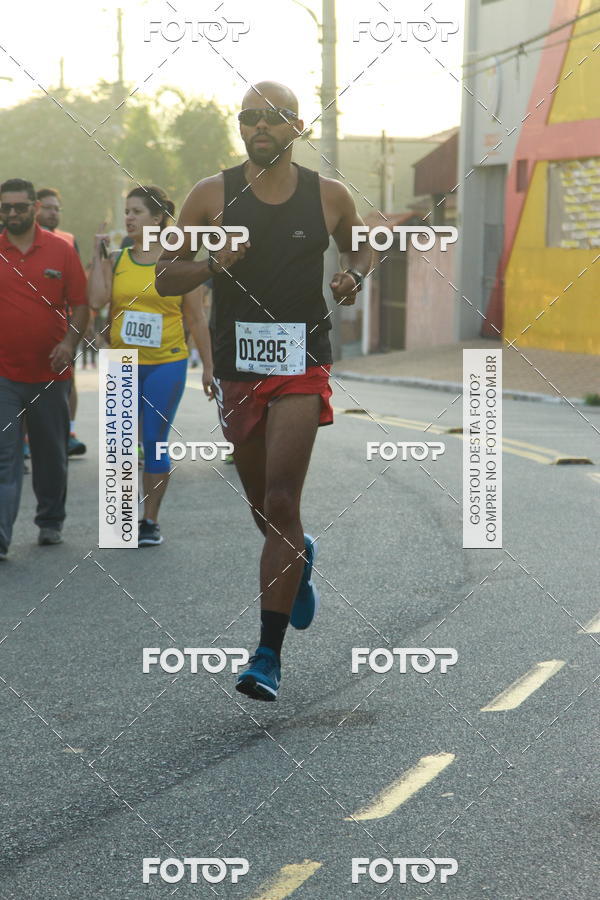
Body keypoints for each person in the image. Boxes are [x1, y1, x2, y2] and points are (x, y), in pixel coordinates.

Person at [156, 82, 372, 701]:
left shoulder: (327, 195)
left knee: (281, 496)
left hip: (303, 359)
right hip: (238, 368)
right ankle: (298, 554)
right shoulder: (210, 195)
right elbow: (167, 275)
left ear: (296, 127)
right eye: (249, 116)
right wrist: (215, 264)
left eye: (272, 118)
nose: (258, 126)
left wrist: (352, 275)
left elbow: (361, 245)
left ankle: (266, 656)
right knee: (264, 509)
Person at [88, 186, 214, 546]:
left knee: (153, 442)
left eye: (136, 212)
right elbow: (96, 300)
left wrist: (208, 368)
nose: (128, 218)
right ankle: (120, 520)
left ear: (157, 218)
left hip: (166, 362)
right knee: (120, 444)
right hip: (121, 363)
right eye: (126, 212)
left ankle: (149, 521)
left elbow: (197, 319)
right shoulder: (118, 258)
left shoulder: (180, 265)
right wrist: (99, 255)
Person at [0, 178, 89, 559]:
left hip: (50, 376)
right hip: (3, 374)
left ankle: (50, 520)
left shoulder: (60, 250)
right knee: (5, 458)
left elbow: (82, 304)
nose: (12, 214)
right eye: (6, 208)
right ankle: (1, 537)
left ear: (35, 207)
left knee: (50, 455)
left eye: (20, 207)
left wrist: (69, 343)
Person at [36, 187, 86, 456]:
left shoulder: (68, 240)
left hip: (61, 324)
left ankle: (69, 433)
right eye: (48, 208)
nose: (53, 213)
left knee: (67, 378)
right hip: (22, 326)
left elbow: (78, 289)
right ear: (35, 209)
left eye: (57, 208)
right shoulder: (13, 240)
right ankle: (23, 440)